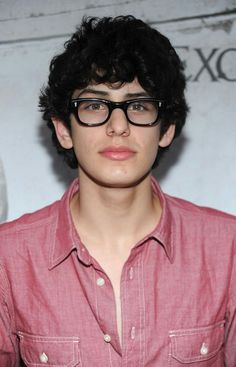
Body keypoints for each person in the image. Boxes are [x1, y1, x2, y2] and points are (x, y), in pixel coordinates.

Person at [0, 15, 235, 367]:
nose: (118, 126)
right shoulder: (9, 258)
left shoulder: (227, 248)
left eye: (138, 106)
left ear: (167, 129)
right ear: (64, 129)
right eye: (95, 106)